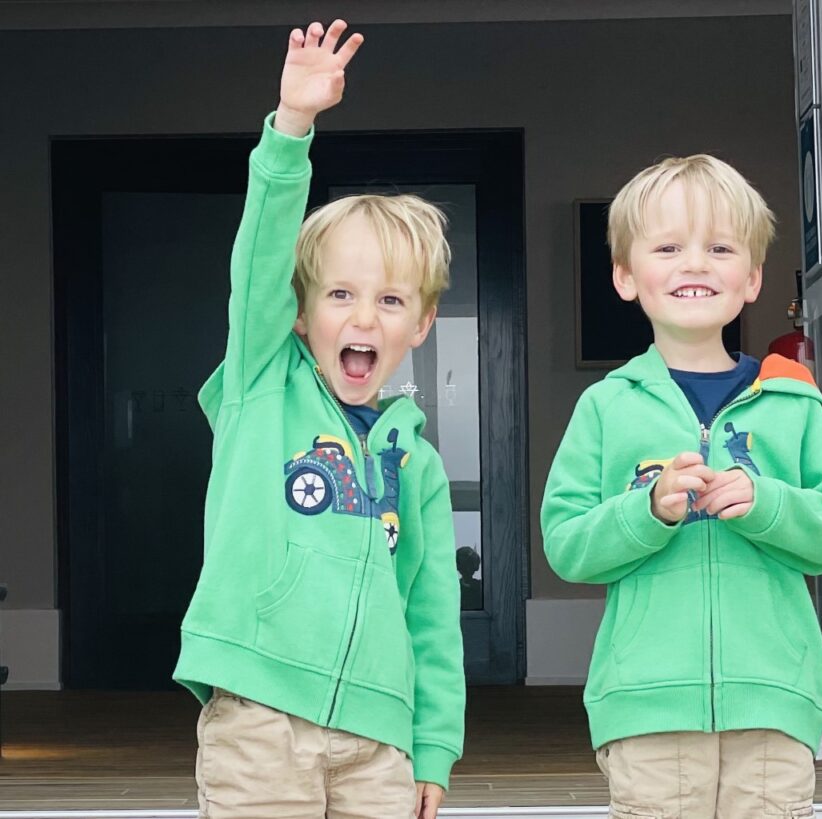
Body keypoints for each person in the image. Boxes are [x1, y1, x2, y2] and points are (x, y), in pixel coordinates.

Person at [172, 21, 464, 819]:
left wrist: (432, 744)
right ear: (300, 314)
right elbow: (261, 258)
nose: (362, 315)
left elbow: (433, 614)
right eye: (339, 293)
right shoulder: (260, 386)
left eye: (390, 299)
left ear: (421, 325)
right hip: (260, 718)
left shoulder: (418, 464)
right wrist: (292, 128)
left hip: (378, 738)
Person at [541, 154, 822, 818]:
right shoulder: (607, 406)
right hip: (646, 705)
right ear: (626, 276)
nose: (694, 264)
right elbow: (566, 542)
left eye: (719, 248)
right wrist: (647, 512)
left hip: (774, 699)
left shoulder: (793, 401)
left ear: (751, 278)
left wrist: (766, 503)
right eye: (668, 247)